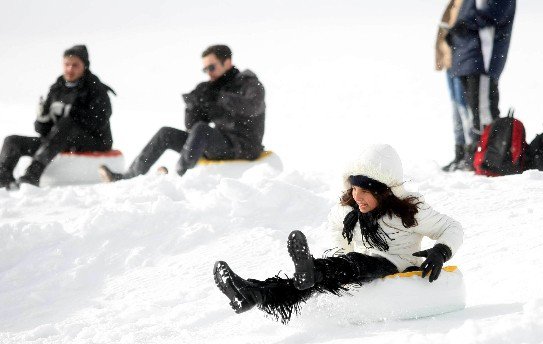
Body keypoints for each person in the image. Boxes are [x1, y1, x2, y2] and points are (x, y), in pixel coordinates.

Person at [213, 144, 464, 324]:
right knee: (311, 281)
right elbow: (335, 228)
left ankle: (314, 271)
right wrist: (344, 251)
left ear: (384, 191)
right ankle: (254, 294)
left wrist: (441, 251)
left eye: (365, 191)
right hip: (357, 263)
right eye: (354, 188)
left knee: (343, 266)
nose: (357, 196)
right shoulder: (348, 210)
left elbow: (451, 228)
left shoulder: (408, 210)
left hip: (398, 264)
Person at [99, 44, 265, 182]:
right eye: (205, 69)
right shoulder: (212, 88)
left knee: (202, 130)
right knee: (166, 133)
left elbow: (253, 107)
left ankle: (178, 178)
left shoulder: (249, 83)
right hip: (220, 142)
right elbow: (191, 127)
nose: (208, 72)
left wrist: (220, 99)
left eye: (212, 67)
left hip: (244, 146)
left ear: (227, 62)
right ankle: (129, 177)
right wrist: (194, 106)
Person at [0, 45, 114, 188]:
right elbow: (44, 131)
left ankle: (32, 175)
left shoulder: (95, 88)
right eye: (67, 64)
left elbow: (100, 120)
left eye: (75, 65)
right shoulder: (57, 89)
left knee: (66, 125)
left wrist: (72, 113)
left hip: (95, 141)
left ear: (84, 66)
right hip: (58, 140)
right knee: (12, 141)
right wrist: (42, 118)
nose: (70, 69)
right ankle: (3, 180)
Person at [446, 0, 516, 170]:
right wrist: (455, 31)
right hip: (466, 58)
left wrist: (463, 24)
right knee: (472, 111)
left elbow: (493, 14)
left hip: (482, 59)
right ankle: (474, 156)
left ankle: (490, 157)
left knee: (483, 112)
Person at [435, 0, 473, 171]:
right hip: (450, 59)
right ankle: (460, 153)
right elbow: (443, 28)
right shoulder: (455, 3)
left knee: (465, 109)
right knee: (456, 110)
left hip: (462, 60)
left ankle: (469, 154)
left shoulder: (468, 3)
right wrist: (439, 54)